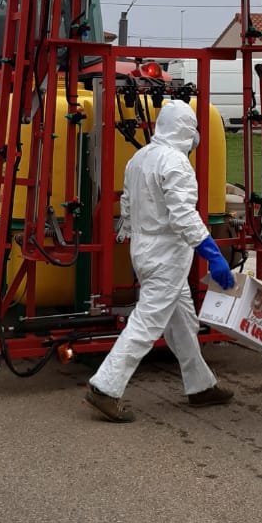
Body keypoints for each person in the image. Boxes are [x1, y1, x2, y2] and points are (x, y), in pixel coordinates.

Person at [86, 99, 236, 422]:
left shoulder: (139, 159)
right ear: (186, 130)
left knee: (183, 323)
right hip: (167, 257)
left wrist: (127, 229)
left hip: (144, 251)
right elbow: (183, 216)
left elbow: (126, 204)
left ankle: (201, 385)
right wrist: (212, 253)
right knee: (146, 324)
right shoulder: (177, 164)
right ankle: (106, 387)